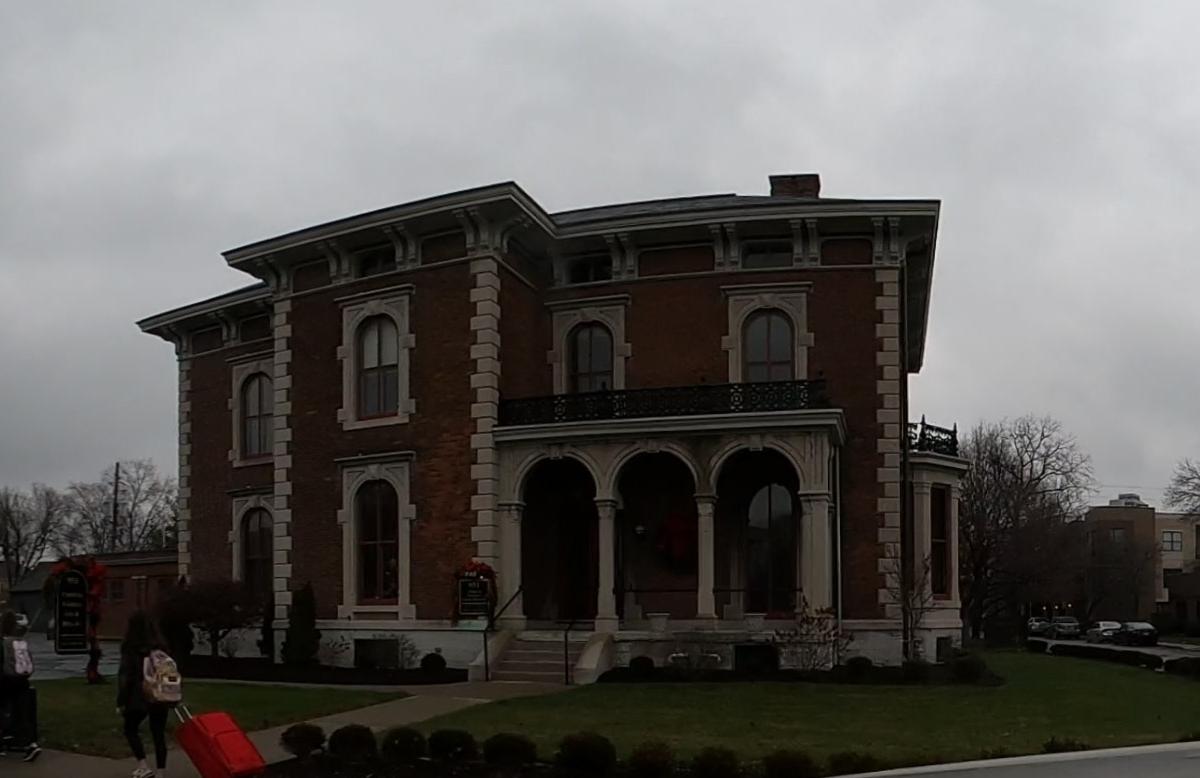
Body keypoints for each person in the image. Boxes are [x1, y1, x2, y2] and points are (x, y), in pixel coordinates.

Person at [117, 611, 169, 778]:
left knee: (130, 728)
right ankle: (161, 772)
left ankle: (143, 765)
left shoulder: (130, 647)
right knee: (158, 733)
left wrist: (121, 701)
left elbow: (126, 676)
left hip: (139, 695)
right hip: (160, 694)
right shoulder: (161, 647)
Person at [0, 610, 40, 762]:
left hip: (6, 681)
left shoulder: (3, 642)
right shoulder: (19, 641)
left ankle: (3, 741)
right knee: (23, 714)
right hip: (22, 681)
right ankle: (31, 744)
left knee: (3, 710)